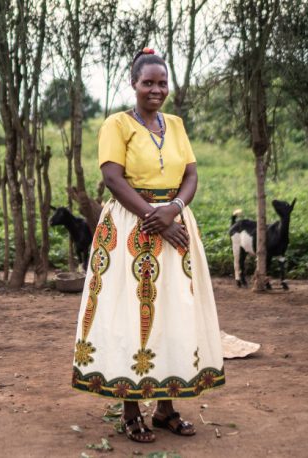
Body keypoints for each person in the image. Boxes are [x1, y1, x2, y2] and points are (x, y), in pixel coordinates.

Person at [70, 48, 225, 443]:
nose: (156, 90)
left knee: (175, 313)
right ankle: (130, 409)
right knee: (129, 315)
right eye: (148, 83)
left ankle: (167, 408)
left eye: (162, 83)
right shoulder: (116, 125)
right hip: (128, 229)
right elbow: (112, 178)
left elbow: (191, 174)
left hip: (174, 228)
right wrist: (150, 216)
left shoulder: (175, 124)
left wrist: (172, 209)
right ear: (134, 84)